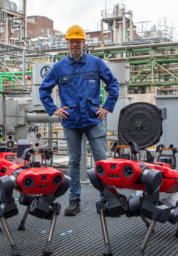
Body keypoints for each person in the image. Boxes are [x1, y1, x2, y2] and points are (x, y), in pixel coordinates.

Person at [39, 25, 119, 216]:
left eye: (78, 41)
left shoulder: (96, 63)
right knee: (74, 161)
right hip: (71, 121)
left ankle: (106, 199)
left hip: (93, 119)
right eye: (72, 41)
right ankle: (74, 200)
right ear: (67, 43)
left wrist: (107, 107)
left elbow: (113, 85)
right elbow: (44, 90)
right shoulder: (59, 67)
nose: (75, 44)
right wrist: (54, 109)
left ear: (84, 42)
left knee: (102, 160)